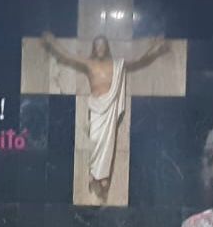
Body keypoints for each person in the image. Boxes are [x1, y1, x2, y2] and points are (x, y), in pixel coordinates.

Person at [39, 31, 171, 194]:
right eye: (97, 45)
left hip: (109, 107)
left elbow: (138, 59)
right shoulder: (89, 63)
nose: (100, 48)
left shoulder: (117, 64)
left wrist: (154, 47)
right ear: (94, 48)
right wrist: (52, 43)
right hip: (96, 107)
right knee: (95, 140)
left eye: (102, 45)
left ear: (106, 47)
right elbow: (68, 55)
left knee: (108, 143)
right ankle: (95, 172)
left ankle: (101, 177)